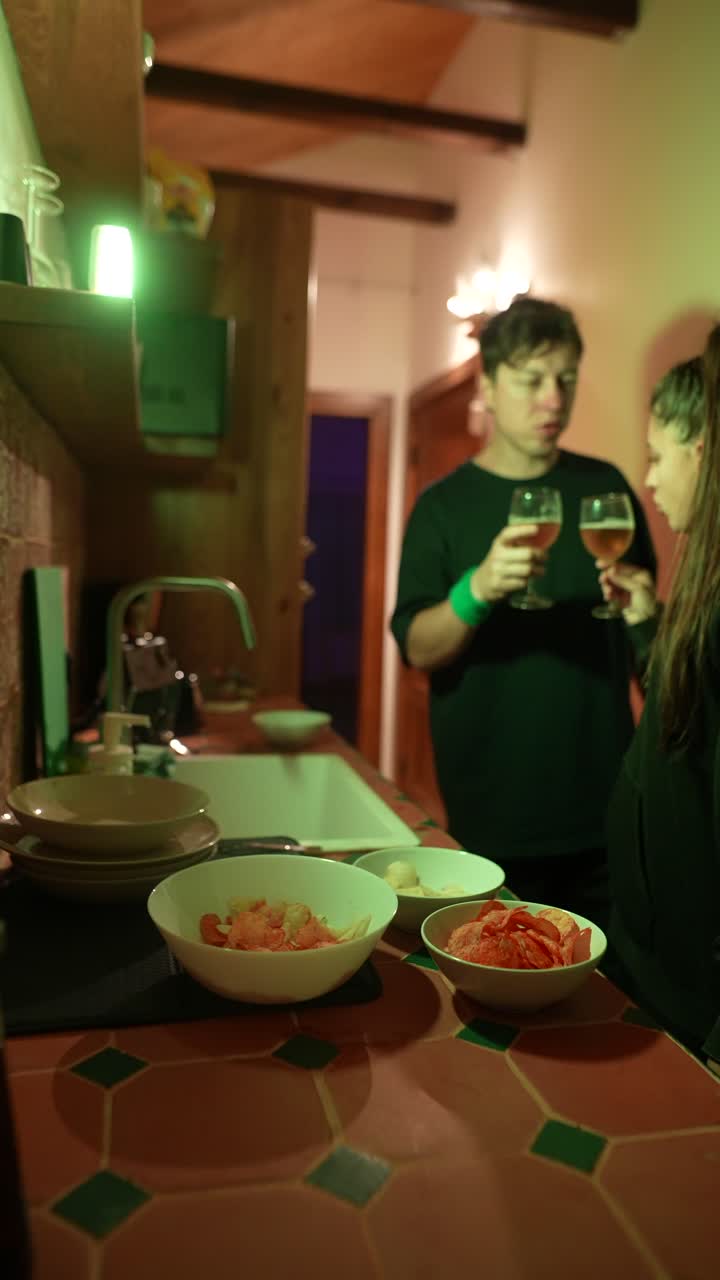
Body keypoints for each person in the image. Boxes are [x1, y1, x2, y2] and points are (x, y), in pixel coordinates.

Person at [390, 297, 656, 930]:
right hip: (494, 815)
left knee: (608, 1006)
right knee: (500, 984)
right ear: (487, 383)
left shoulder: (606, 491)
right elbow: (418, 647)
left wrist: (645, 612)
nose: (552, 399)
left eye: (565, 379)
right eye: (531, 379)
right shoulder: (443, 507)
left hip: (606, 809)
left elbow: (648, 650)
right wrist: (476, 589)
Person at [601, 340, 720, 1061]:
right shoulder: (704, 586)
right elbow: (689, 724)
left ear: (701, 452)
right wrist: (649, 620)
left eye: (657, 455)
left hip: (697, 1002)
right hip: (656, 964)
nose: (648, 479)